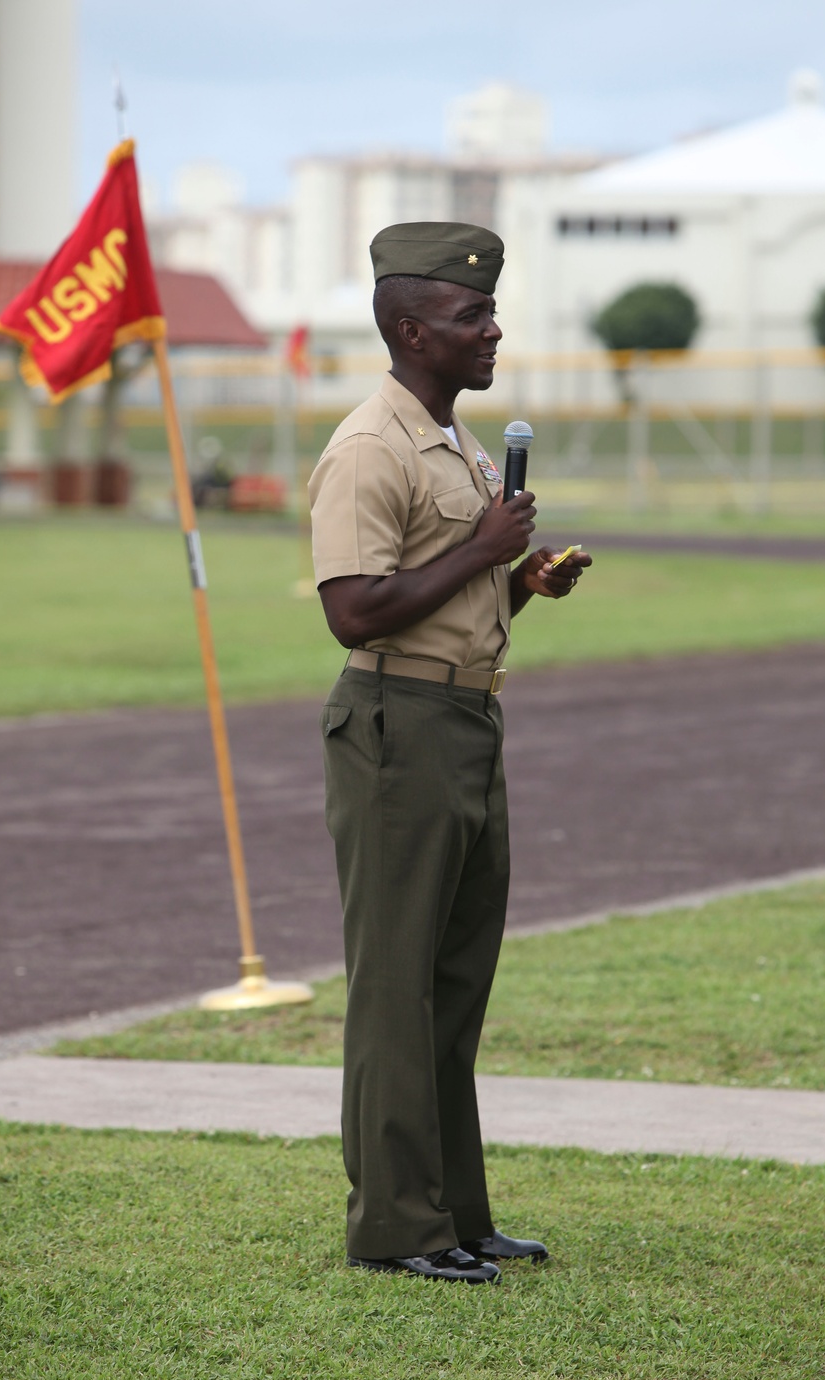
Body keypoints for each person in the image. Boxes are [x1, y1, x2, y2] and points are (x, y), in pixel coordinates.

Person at [309, 221, 591, 1285]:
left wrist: (517, 581)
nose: (492, 329)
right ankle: (395, 1224)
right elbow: (353, 611)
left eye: (490, 311)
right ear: (410, 327)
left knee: (455, 979)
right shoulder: (370, 447)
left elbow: (442, 588)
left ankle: (455, 1212)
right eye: (472, 315)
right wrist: (482, 549)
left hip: (465, 722)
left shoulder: (455, 441)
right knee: (396, 985)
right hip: (397, 732)